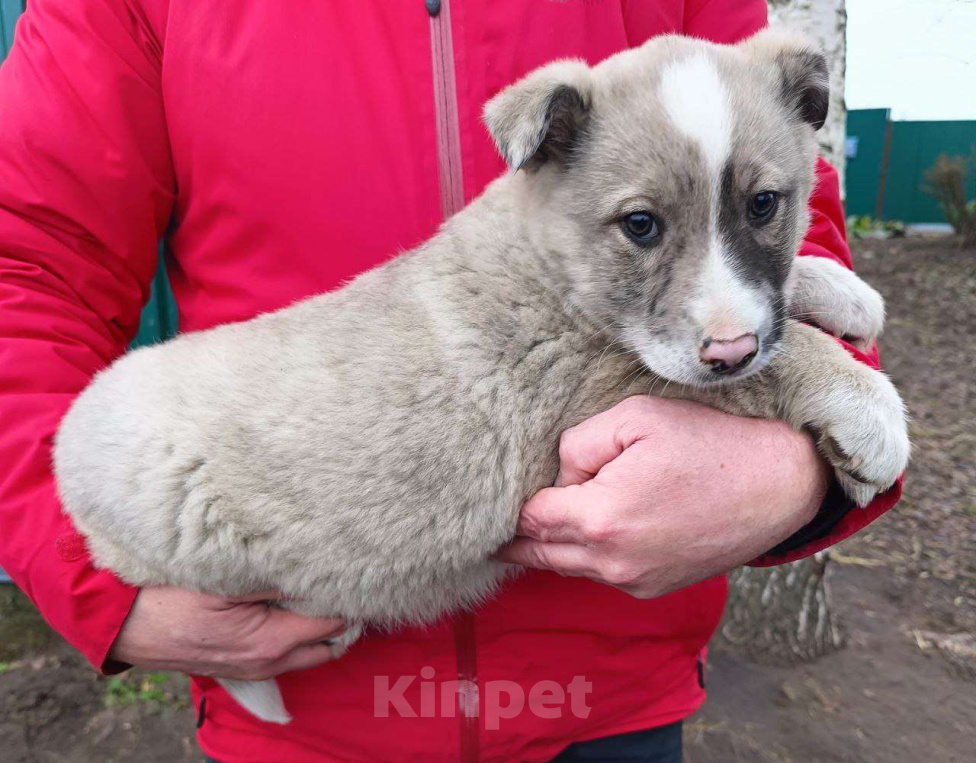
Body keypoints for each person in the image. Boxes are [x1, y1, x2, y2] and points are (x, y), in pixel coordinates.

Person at [0, 1, 901, 761]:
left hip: (610, 692)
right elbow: (23, 268)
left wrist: (801, 472)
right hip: (310, 699)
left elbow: (774, 190)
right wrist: (100, 578)